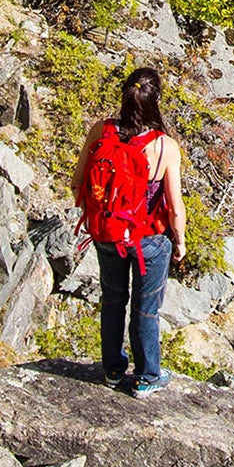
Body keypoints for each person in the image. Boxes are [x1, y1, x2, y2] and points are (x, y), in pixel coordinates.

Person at [71, 67, 187, 397]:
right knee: (145, 308)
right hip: (149, 239)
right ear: (157, 101)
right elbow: (175, 206)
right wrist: (179, 242)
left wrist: (102, 213)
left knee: (112, 300)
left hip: (107, 233)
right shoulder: (164, 147)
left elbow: (78, 180)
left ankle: (111, 370)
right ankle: (148, 375)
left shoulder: (102, 130)